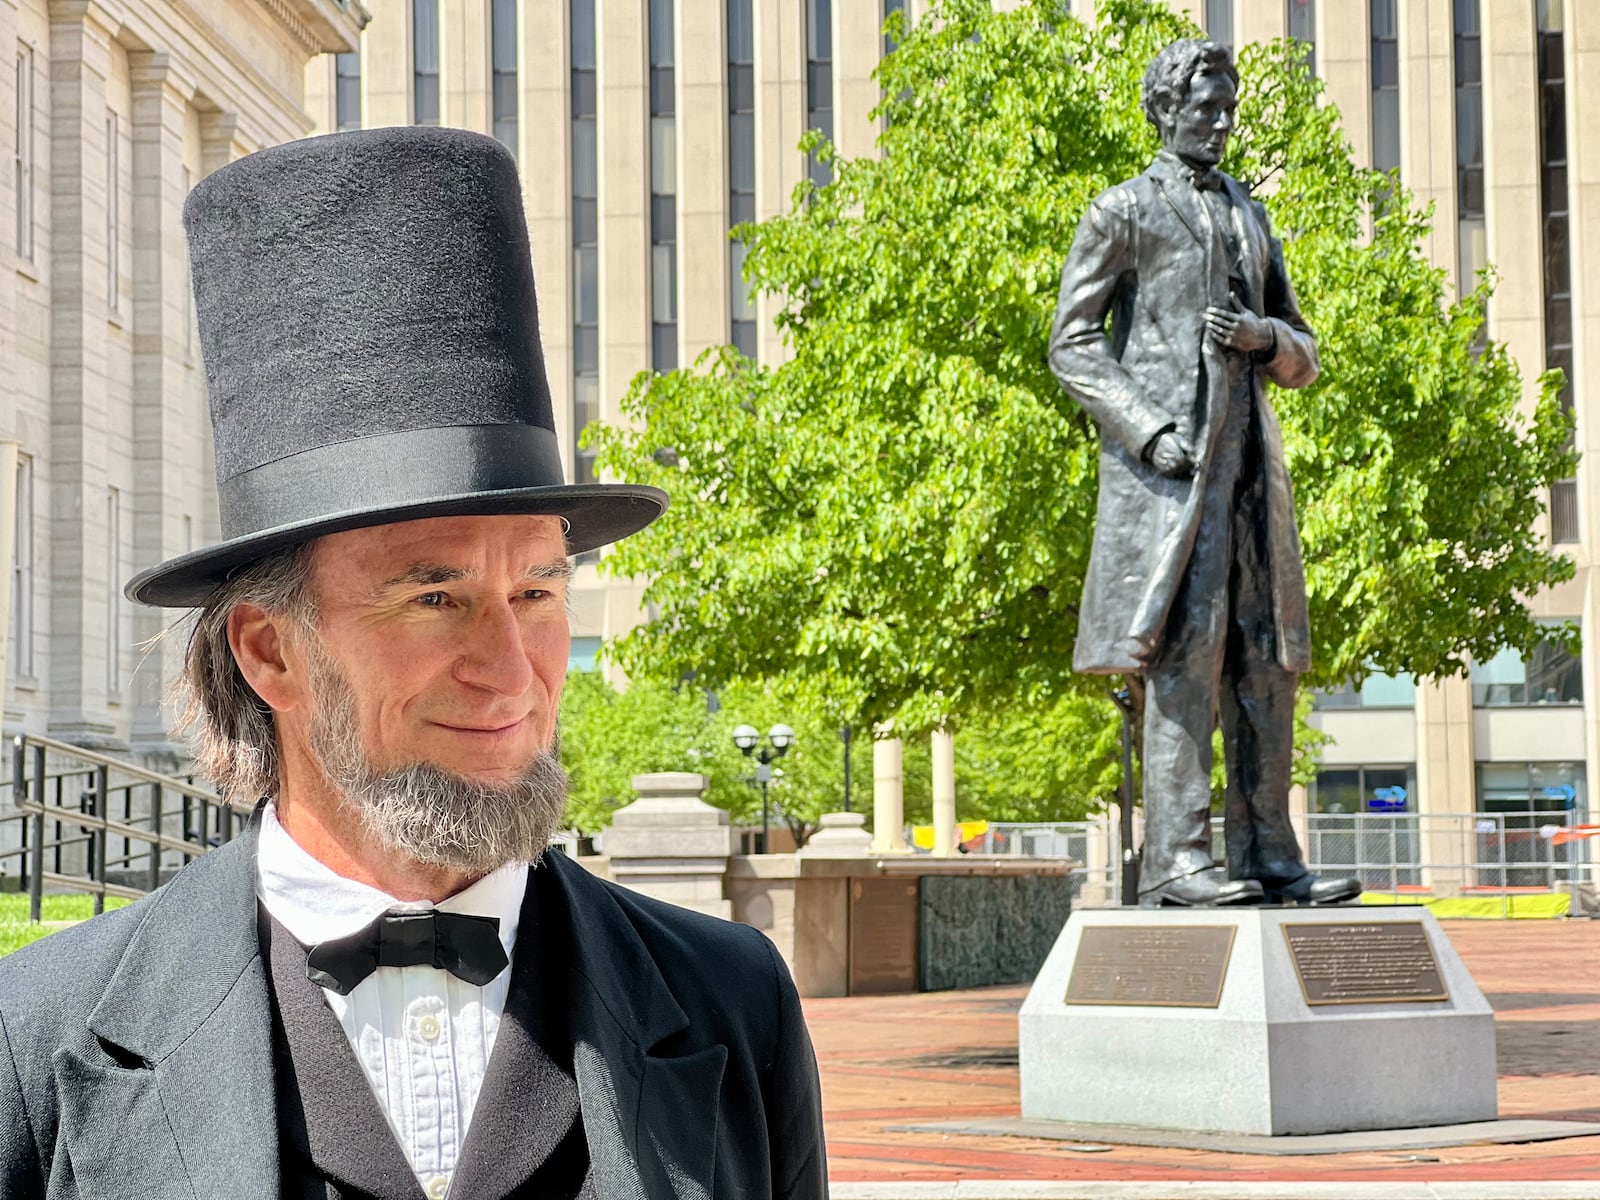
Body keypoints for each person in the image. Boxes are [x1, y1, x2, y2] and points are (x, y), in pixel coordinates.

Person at [0, 126, 828, 1199]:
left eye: (535, 592)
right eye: (433, 597)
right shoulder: (42, 1030)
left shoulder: (732, 999)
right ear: (269, 652)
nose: (512, 669)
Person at [1047, 39, 1359, 909]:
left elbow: (1304, 351)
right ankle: (1180, 858)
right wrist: (1146, 431)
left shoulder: (1252, 216)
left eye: (1228, 108)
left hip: (1251, 474)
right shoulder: (1121, 212)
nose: (1220, 123)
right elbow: (1070, 344)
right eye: (1205, 108)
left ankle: (1268, 853)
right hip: (1175, 484)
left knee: (1266, 661)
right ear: (1163, 109)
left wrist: (1267, 339)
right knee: (1185, 660)